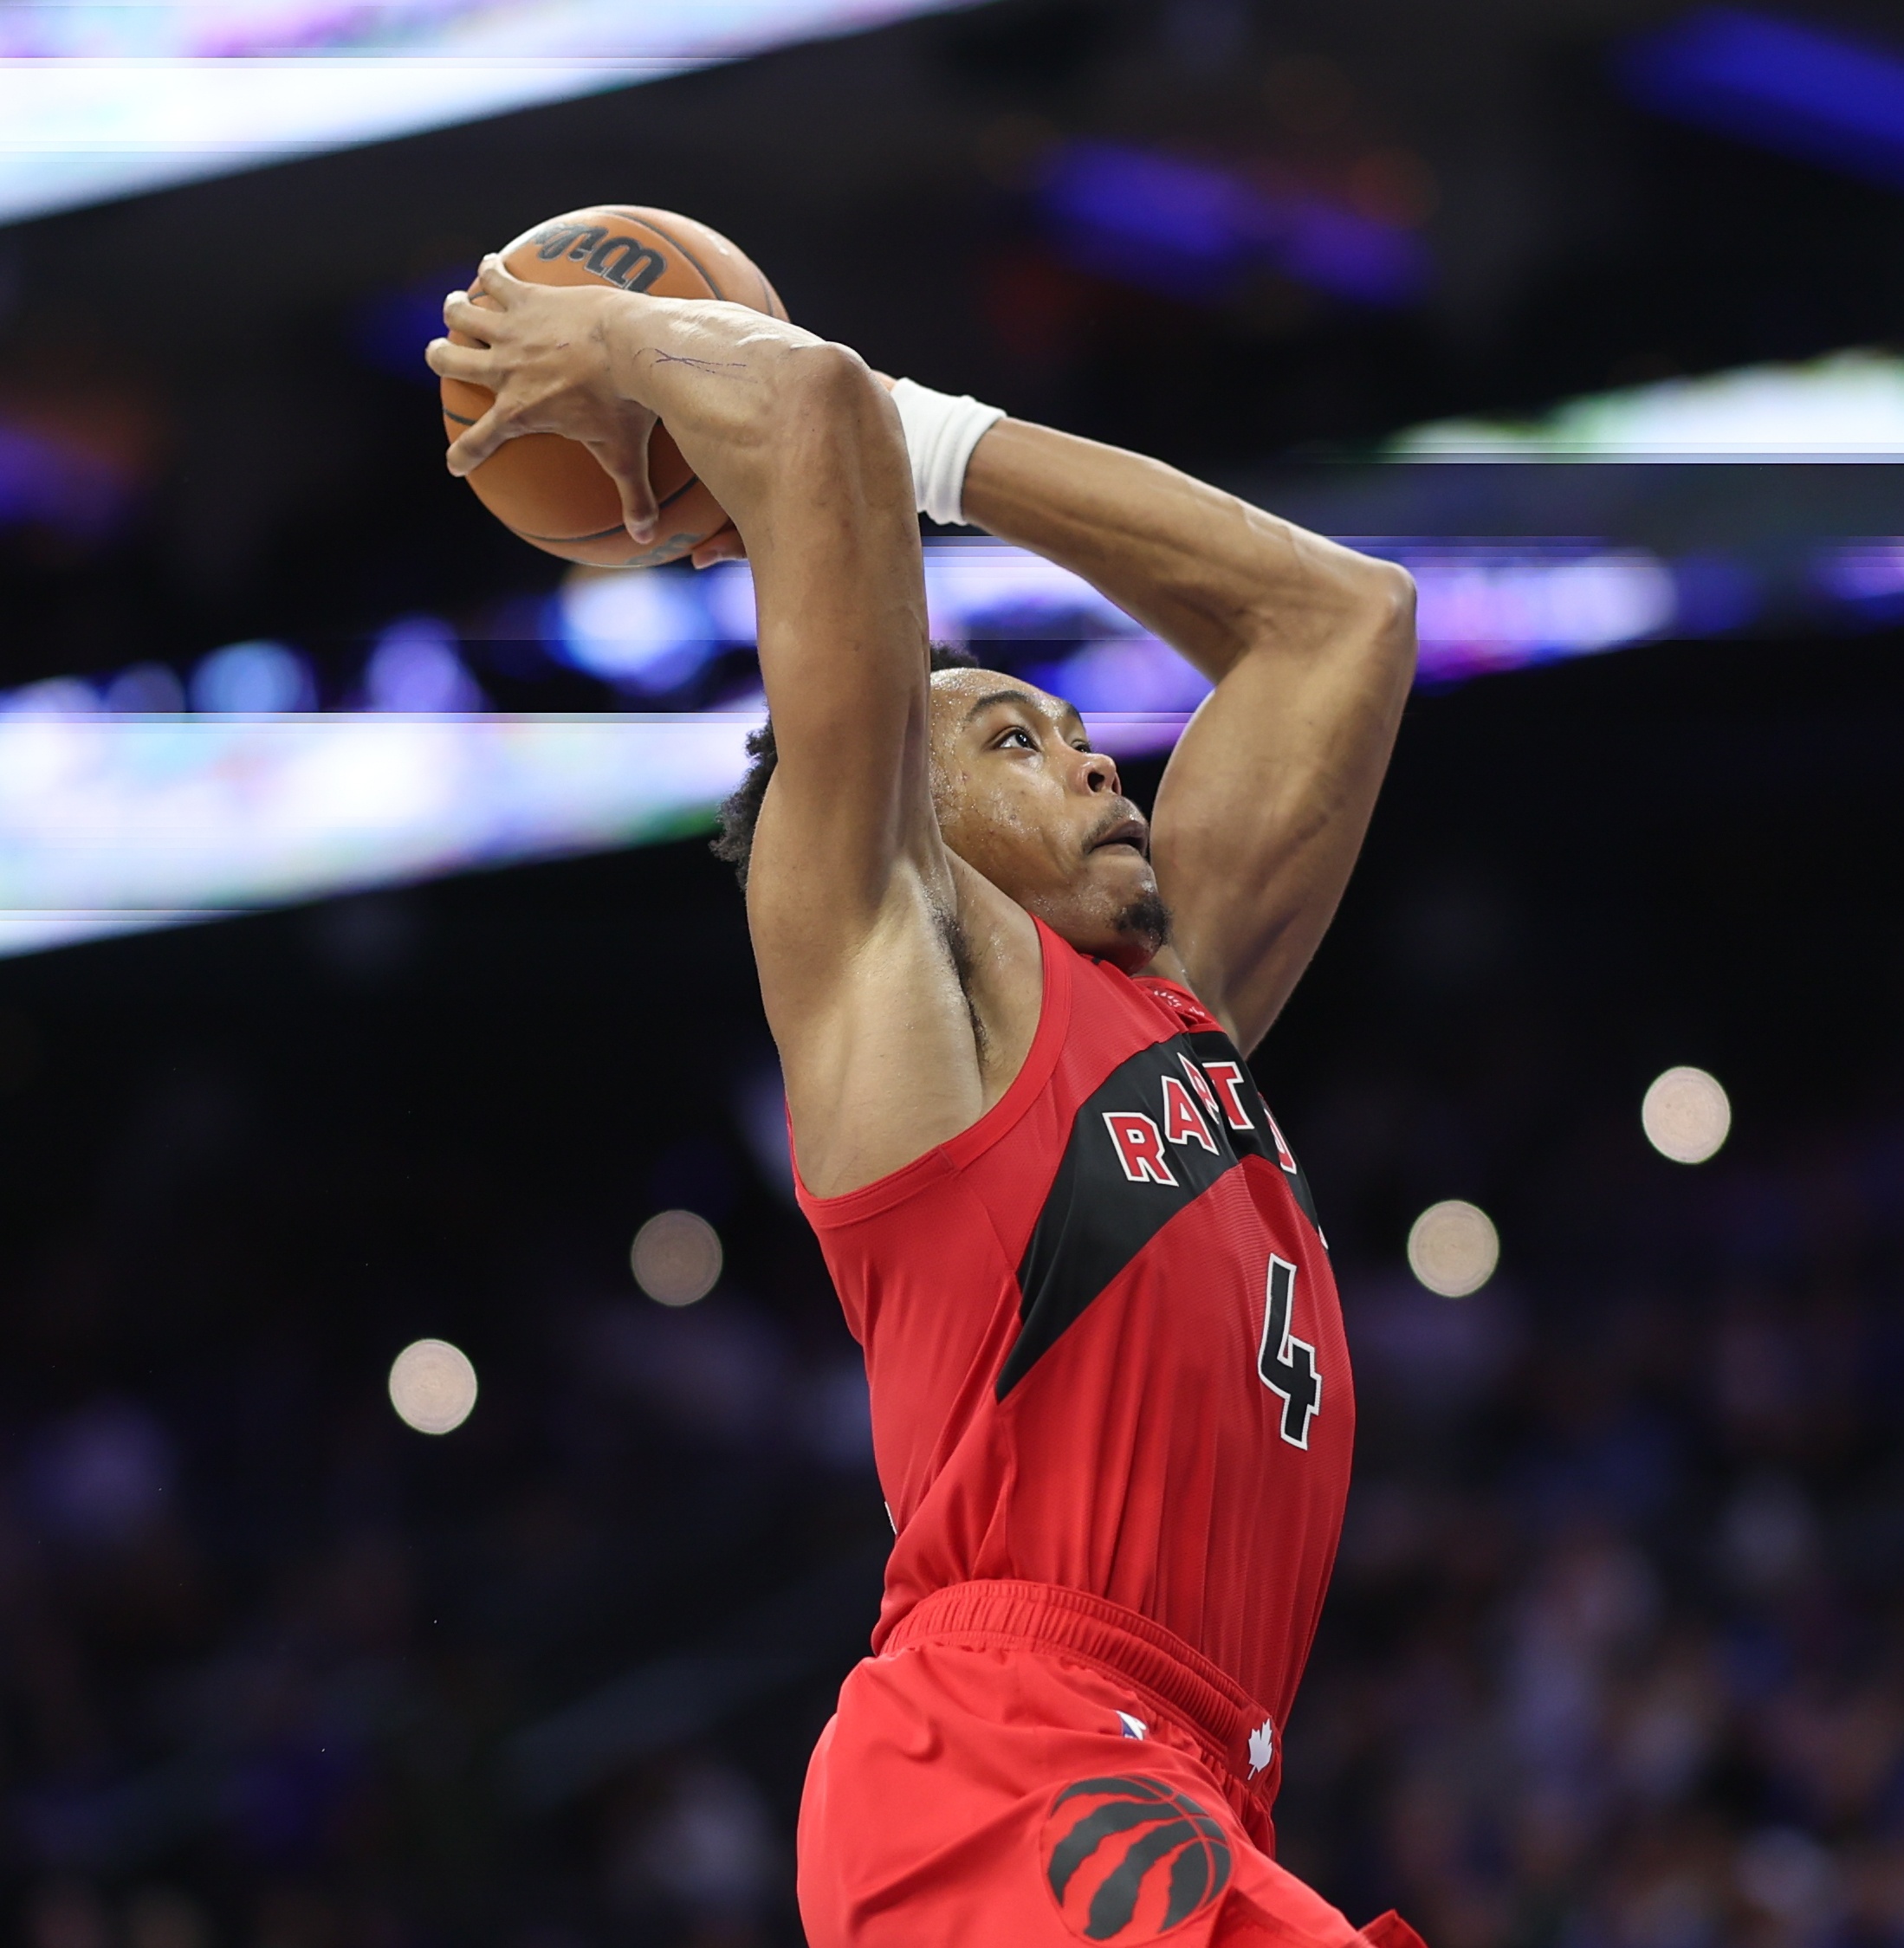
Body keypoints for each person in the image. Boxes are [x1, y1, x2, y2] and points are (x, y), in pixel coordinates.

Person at [429, 251, 1421, 1948]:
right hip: (1007, 1756)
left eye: (1075, 728)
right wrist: (626, 337)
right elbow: (808, 402)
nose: (1096, 756)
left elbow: (1341, 617)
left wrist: (928, 438)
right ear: (911, 826)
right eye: (1015, 741)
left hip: (1181, 1777)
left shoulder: (1173, 1018)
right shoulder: (895, 970)